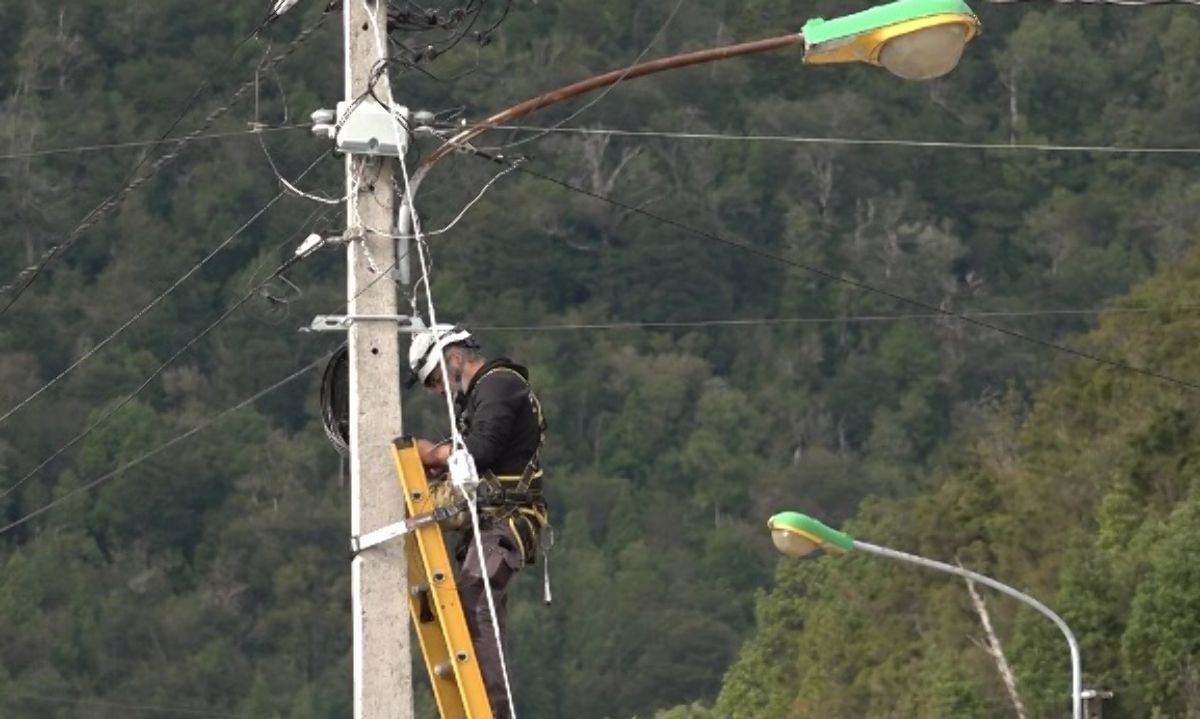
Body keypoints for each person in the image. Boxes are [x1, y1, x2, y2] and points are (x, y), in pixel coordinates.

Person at [408, 323, 548, 718]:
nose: (438, 391)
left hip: (505, 521)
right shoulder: (481, 397)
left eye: (435, 379)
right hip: (488, 523)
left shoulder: (499, 385)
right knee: (470, 602)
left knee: (476, 600)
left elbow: (482, 451)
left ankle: (492, 712)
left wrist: (433, 455)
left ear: (454, 358)